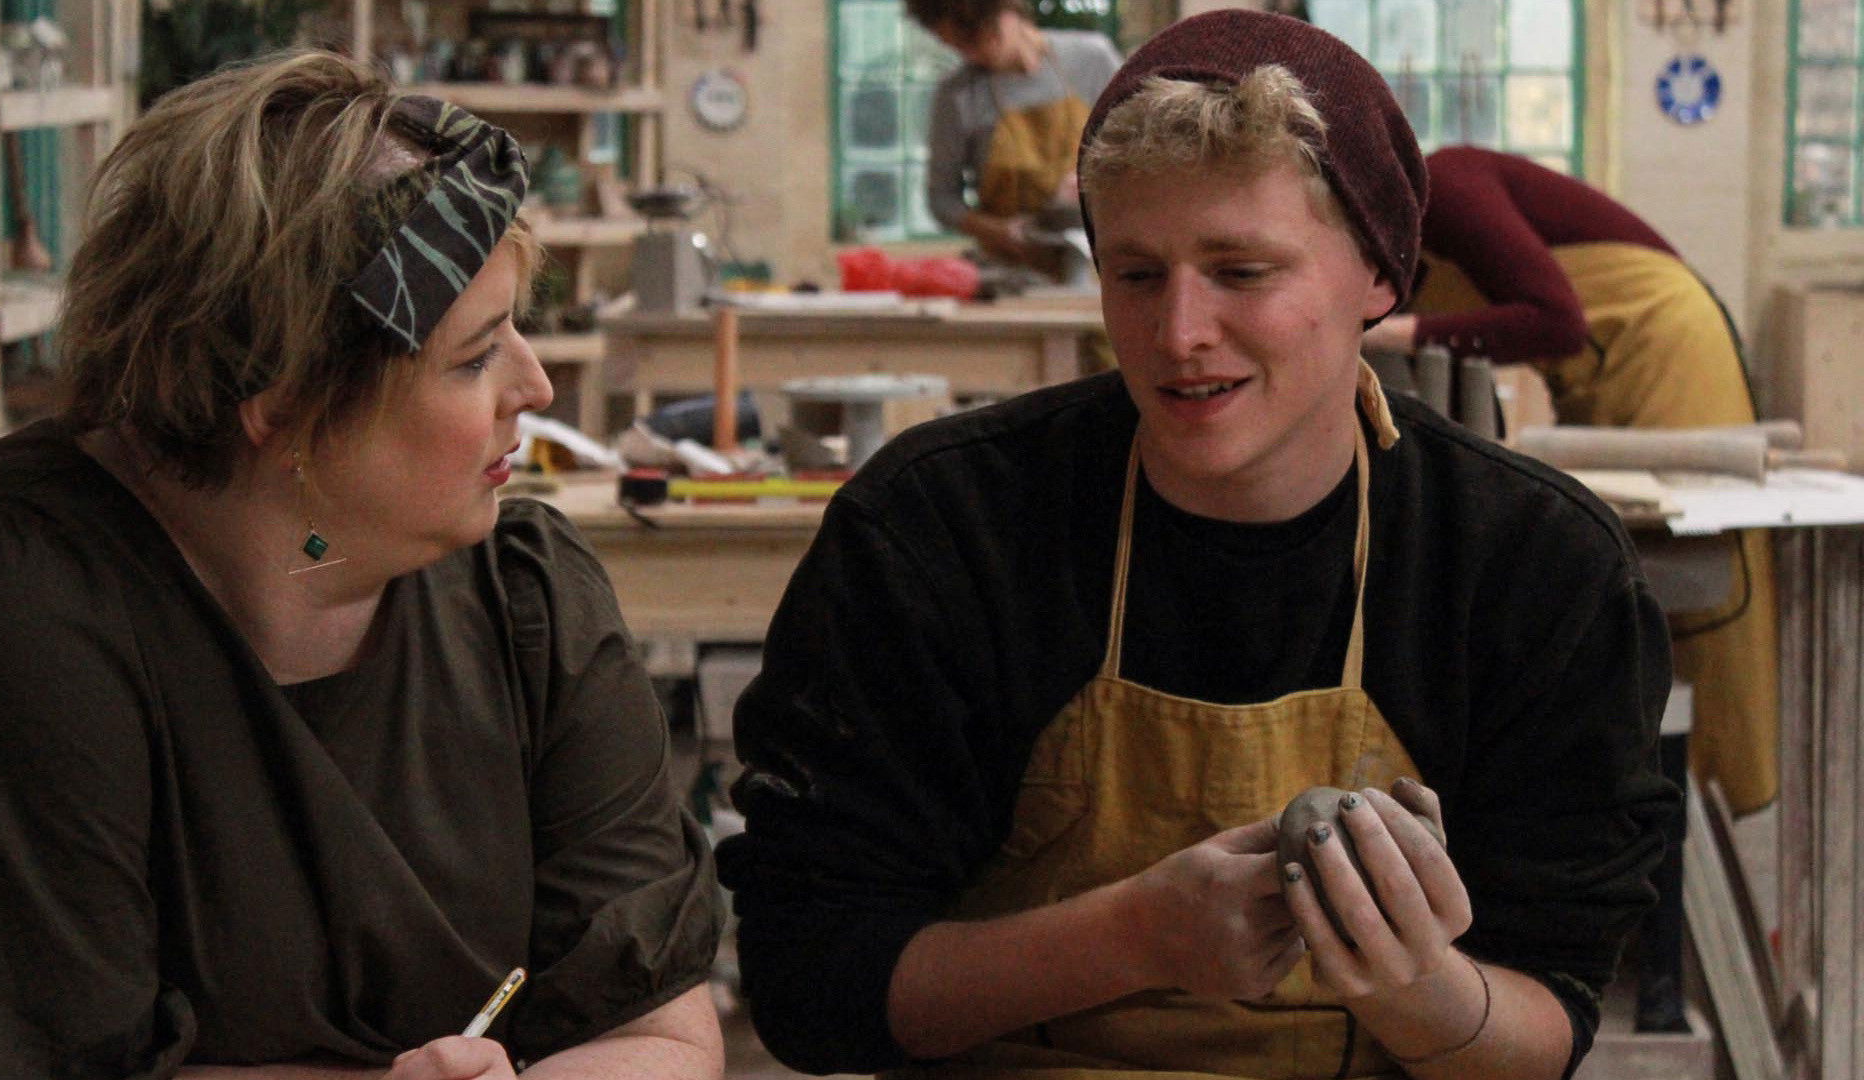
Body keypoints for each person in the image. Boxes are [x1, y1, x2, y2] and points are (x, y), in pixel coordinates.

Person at [718, 11, 1678, 1080]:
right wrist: (1132, 937)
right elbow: (810, 986)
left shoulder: (1531, 566)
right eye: (1136, 275)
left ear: (1379, 274)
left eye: (1242, 270)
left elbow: (1549, 1022)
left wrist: (1416, 985)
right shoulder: (942, 532)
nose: (1178, 335)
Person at [0, 52, 724, 1080]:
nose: (534, 387)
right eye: (474, 357)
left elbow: (661, 1035)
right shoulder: (11, 599)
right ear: (285, 405)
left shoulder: (528, 599)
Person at [1361, 144, 1776, 815]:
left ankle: (1707, 799)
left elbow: (1556, 321)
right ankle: (1637, 795)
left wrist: (1386, 335)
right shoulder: (1398, 253)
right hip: (1598, 366)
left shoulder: (1450, 187)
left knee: (1703, 604)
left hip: (1662, 340)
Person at [911, 0, 1121, 279]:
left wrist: (1099, 176)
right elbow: (941, 198)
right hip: (1012, 271)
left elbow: (1140, 146)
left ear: (1010, 10)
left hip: (1099, 263)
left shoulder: (1093, 59)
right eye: (959, 45)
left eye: (978, 36)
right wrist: (997, 231)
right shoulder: (957, 95)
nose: (974, 52)